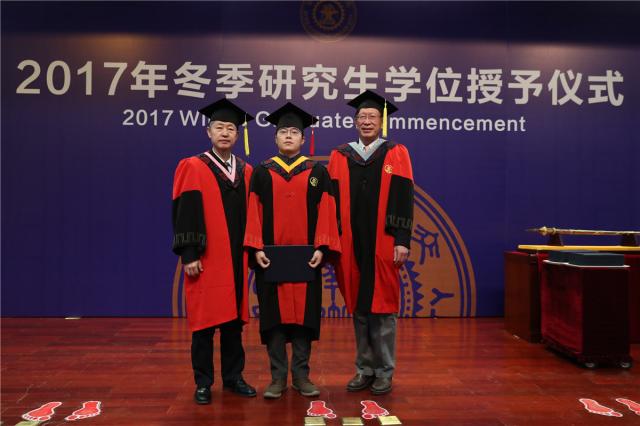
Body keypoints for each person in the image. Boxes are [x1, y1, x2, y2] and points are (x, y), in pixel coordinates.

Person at [244, 102, 340, 399]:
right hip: (270, 258)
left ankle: (301, 376)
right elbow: (252, 212)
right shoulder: (262, 172)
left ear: (303, 138)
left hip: (306, 258)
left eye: (294, 132)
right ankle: (277, 378)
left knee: (303, 320)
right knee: (273, 319)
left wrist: (322, 247)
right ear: (275, 137)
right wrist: (255, 247)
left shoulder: (317, 172)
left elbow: (327, 210)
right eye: (283, 131)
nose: (288, 136)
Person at [327, 90, 414, 395]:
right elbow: (331, 201)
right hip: (351, 242)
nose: (366, 121)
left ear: (381, 121)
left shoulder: (396, 152)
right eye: (362, 116)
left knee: (383, 306)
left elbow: (403, 197)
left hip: (384, 241)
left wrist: (402, 239)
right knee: (360, 306)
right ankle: (364, 369)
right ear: (355, 121)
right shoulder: (340, 155)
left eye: (372, 117)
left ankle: (384, 371)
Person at [172, 98, 257, 405]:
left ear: (237, 135)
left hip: (236, 257)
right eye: (219, 127)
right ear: (208, 132)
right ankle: (203, 382)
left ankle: (234, 377)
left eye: (230, 128)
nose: (225, 133)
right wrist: (189, 253)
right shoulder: (193, 166)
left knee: (234, 323)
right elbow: (185, 211)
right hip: (207, 257)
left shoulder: (246, 171)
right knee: (205, 324)